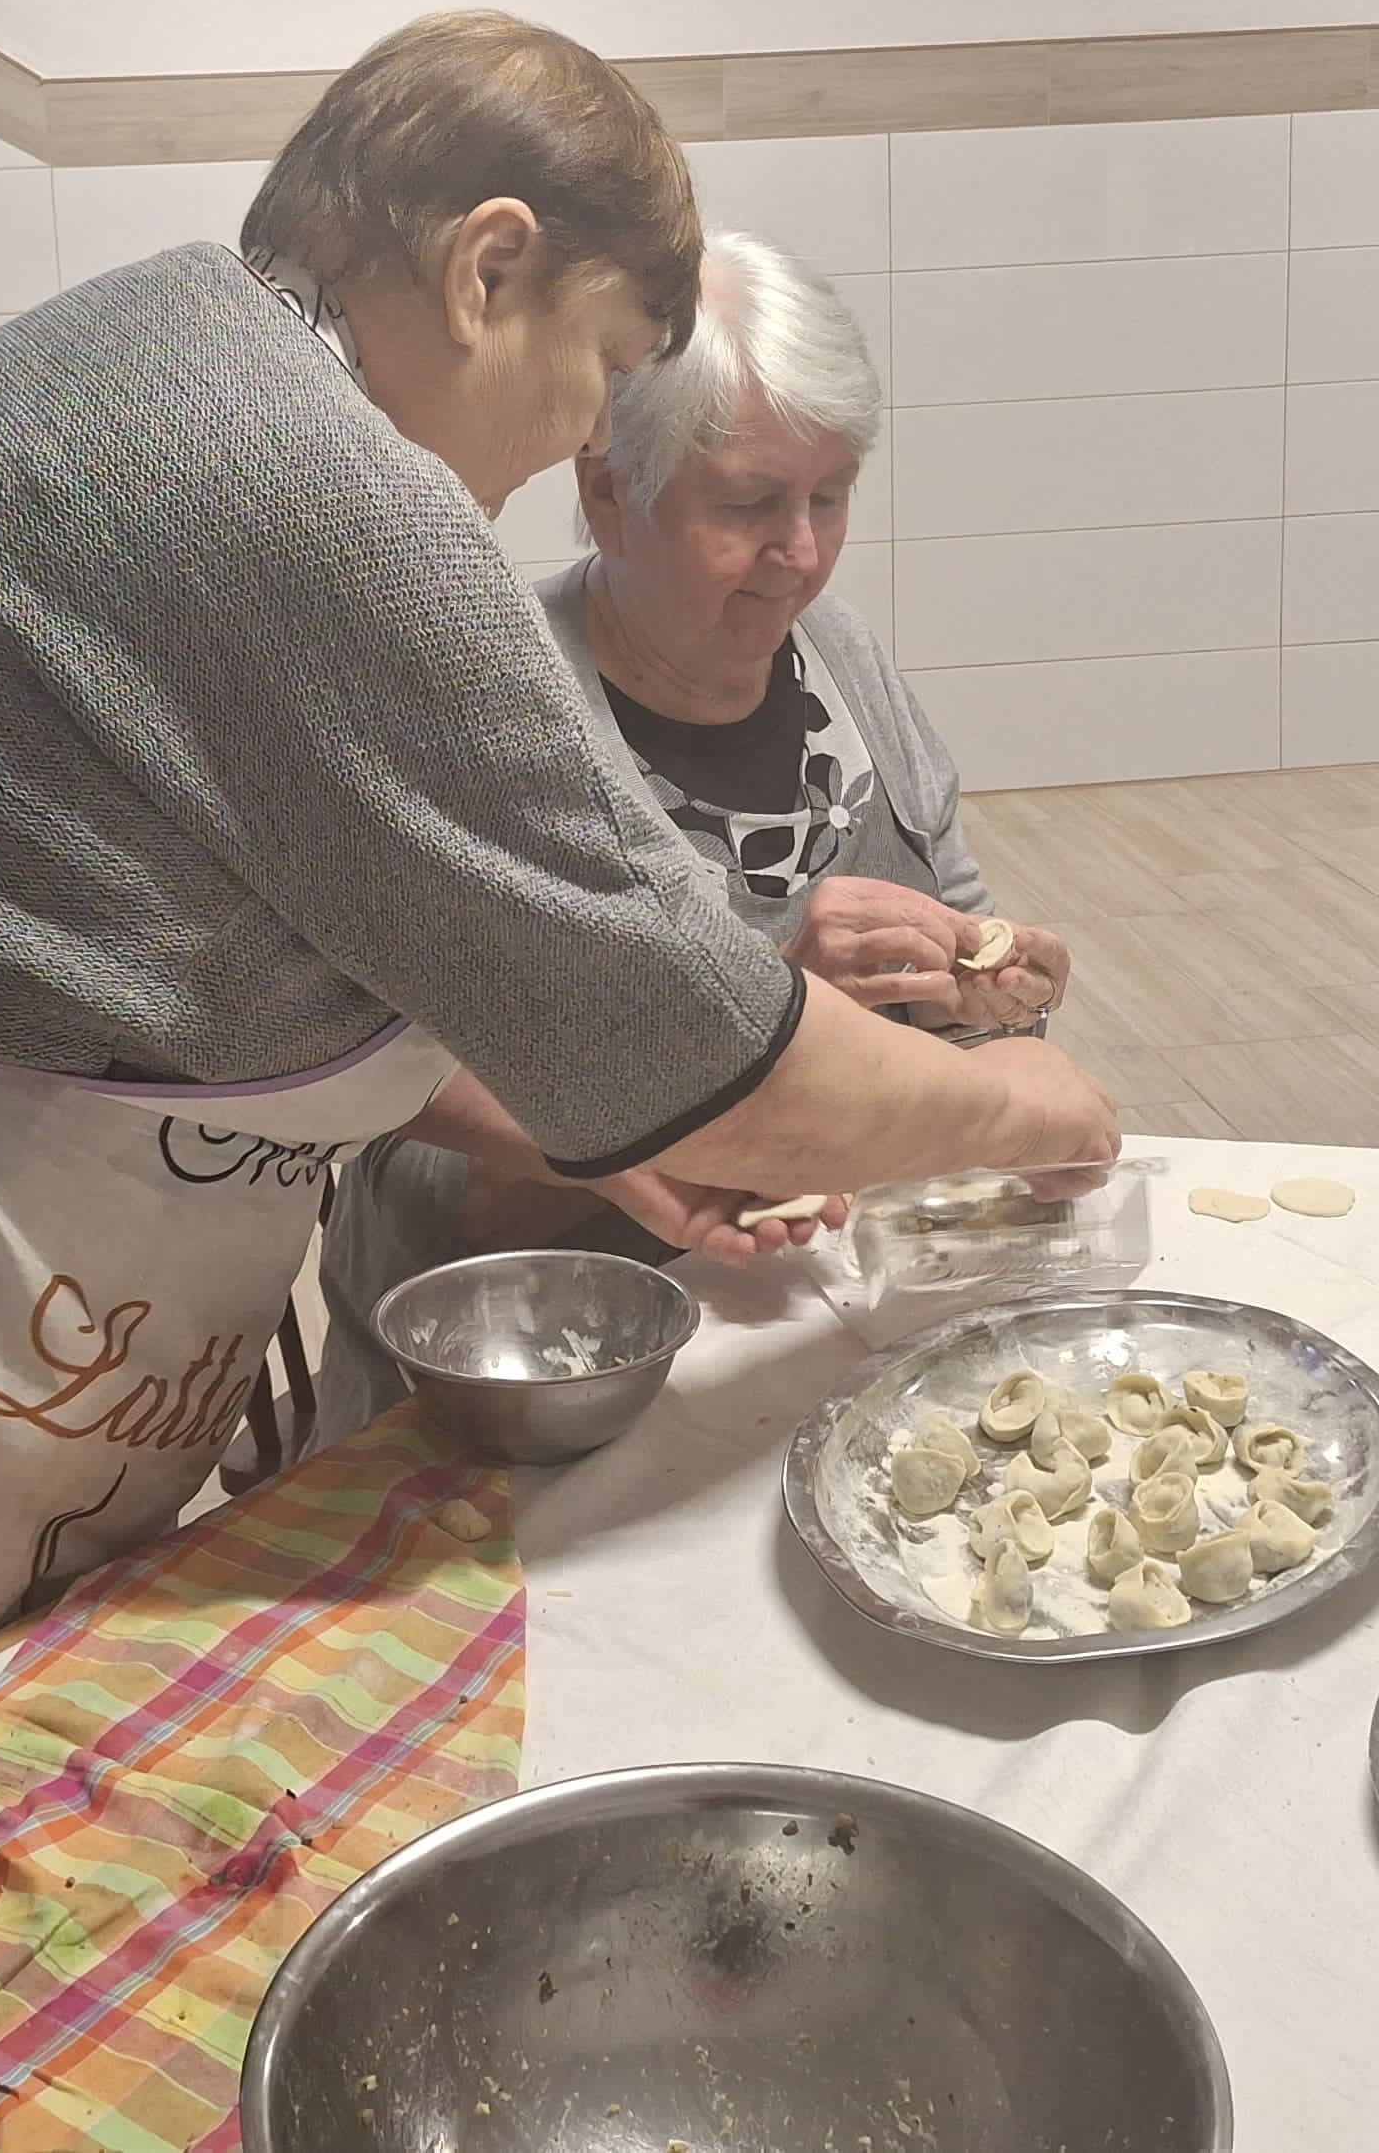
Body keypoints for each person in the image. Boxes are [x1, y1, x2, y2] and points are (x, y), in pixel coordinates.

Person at [0, 12, 1116, 2153]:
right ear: (489, 266)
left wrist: (580, 1133)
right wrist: (1042, 1110)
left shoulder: (159, 346)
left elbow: (190, 970)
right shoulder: (318, 488)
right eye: (591, 379)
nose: (549, 462)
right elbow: (711, 1048)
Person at [317, 233, 1067, 1419]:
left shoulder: (838, 657)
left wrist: (993, 993)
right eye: (750, 504)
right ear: (608, 493)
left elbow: (959, 973)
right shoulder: (489, 714)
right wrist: (764, 1026)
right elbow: (426, 1165)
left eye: (830, 496)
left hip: (798, 1326)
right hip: (532, 1372)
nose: (801, 557)